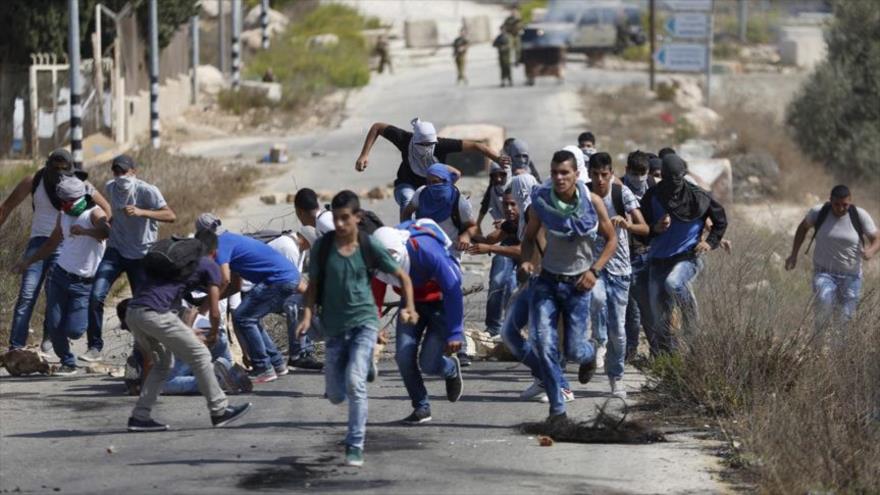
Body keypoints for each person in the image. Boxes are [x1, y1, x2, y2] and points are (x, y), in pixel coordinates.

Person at [296, 190, 417, 467]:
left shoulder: (368, 245)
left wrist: (409, 306)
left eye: (345, 219)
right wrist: (306, 315)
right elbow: (313, 286)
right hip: (335, 329)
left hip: (364, 323)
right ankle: (367, 368)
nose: (339, 225)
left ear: (357, 217)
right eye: (336, 219)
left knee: (355, 382)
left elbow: (402, 276)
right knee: (336, 395)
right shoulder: (323, 248)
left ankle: (355, 444)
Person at [519, 150, 618, 421]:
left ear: (576, 174)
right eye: (554, 173)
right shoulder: (541, 201)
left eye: (565, 173)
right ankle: (557, 409)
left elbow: (611, 240)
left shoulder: (593, 202)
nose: (559, 178)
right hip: (548, 282)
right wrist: (527, 261)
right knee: (546, 345)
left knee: (574, 349)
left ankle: (589, 354)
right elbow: (529, 238)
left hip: (578, 285)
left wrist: (594, 271)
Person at [124, 229, 252, 432]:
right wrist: (211, 334)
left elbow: (170, 307)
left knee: (163, 364)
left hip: (133, 313)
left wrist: (187, 332)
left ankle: (140, 416)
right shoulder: (208, 265)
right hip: (154, 314)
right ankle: (219, 410)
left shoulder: (177, 266)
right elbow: (215, 311)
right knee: (201, 355)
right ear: (214, 251)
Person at [1, 149, 110, 352]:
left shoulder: (80, 186)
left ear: (70, 168)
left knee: (53, 295)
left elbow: (105, 210)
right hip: (39, 241)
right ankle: (15, 347)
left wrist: (95, 237)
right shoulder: (34, 180)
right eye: (55, 167)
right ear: (47, 165)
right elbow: (6, 207)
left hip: (64, 244)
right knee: (27, 293)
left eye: (64, 168)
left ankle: (49, 337)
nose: (59, 172)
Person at [13, 175, 109, 375]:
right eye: (62, 202)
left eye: (67, 202)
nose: (63, 205)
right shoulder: (63, 215)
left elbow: (105, 231)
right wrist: (27, 262)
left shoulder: (93, 212)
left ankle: (82, 341)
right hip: (60, 276)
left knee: (74, 330)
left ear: (78, 198)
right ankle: (68, 362)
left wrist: (85, 232)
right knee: (54, 324)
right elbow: (51, 243)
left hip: (84, 283)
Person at [85, 154, 177, 363]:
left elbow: (171, 215)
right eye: (116, 172)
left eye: (124, 172)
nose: (120, 176)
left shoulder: (147, 191)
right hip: (115, 251)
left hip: (141, 255)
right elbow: (114, 214)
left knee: (141, 307)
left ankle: (144, 351)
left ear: (133, 172)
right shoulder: (110, 187)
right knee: (95, 295)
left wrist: (141, 212)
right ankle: (94, 347)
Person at [372, 221, 465, 424]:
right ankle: (421, 407)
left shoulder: (426, 251)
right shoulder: (377, 258)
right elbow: (375, 294)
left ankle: (449, 369)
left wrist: (455, 332)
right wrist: (372, 326)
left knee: (428, 364)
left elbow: (453, 289)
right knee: (404, 356)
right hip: (411, 302)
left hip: (441, 302)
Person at [195, 213, 303, 384]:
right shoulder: (232, 241)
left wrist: (205, 307)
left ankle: (263, 368)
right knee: (249, 316)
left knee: (242, 318)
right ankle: (276, 363)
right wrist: (209, 302)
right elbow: (235, 286)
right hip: (286, 278)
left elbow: (224, 279)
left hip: (277, 280)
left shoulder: (221, 244)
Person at [639, 154, 727, 353]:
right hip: (658, 260)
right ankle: (669, 362)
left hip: (687, 257)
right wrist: (655, 228)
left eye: (678, 177)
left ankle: (692, 326)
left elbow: (720, 220)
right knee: (659, 318)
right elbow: (642, 229)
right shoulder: (653, 196)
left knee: (675, 283)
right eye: (669, 177)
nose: (674, 182)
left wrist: (710, 242)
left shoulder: (698, 196)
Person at [501, 173, 574, 403]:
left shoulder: (541, 211)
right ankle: (544, 378)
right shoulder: (530, 213)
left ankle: (562, 387)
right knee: (514, 333)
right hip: (534, 283)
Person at [586, 152, 649, 398]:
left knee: (619, 332)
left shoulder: (621, 193)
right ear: (589, 174)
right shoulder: (583, 194)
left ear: (611, 173)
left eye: (605, 174)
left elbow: (644, 228)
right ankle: (596, 343)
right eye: (596, 175)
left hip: (621, 270)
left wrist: (627, 224)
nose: (601, 180)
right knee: (597, 300)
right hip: (594, 266)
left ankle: (616, 377)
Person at [355, 118, 505, 219]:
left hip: (434, 187)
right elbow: (377, 127)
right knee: (408, 200)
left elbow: (476, 146)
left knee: (445, 211)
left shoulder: (441, 145)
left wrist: (498, 158)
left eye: (430, 145)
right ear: (415, 140)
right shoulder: (405, 139)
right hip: (407, 184)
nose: (427, 148)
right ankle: (407, 233)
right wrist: (364, 155)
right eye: (423, 145)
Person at [785, 185, 878, 332]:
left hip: (851, 277)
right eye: (837, 204)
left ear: (850, 202)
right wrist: (794, 254)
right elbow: (802, 228)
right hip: (824, 273)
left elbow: (876, 238)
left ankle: (837, 353)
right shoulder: (819, 212)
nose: (841, 208)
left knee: (844, 321)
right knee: (823, 302)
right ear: (830, 201)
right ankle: (818, 348)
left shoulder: (859, 215)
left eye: (845, 205)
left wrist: (871, 251)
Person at [621, 150, 659, 359]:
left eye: (642, 172)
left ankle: (656, 351)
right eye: (634, 172)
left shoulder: (653, 186)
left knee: (651, 307)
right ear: (627, 170)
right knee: (633, 309)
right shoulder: (618, 188)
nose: (638, 177)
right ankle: (631, 350)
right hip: (629, 254)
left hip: (652, 254)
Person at [402, 163, 478, 260]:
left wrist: (466, 236)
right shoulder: (421, 193)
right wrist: (408, 231)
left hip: (449, 253)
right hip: (423, 249)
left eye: (435, 182)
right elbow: (406, 213)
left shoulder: (459, 202)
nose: (432, 186)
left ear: (447, 180)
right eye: (428, 182)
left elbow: (473, 226)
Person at [472, 186, 519, 337]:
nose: (509, 209)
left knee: (512, 284)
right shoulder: (509, 222)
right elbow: (490, 239)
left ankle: (515, 327)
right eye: (505, 205)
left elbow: (523, 251)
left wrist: (489, 248)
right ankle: (492, 328)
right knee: (498, 281)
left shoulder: (533, 218)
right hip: (507, 251)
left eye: (513, 204)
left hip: (529, 258)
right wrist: (467, 231)